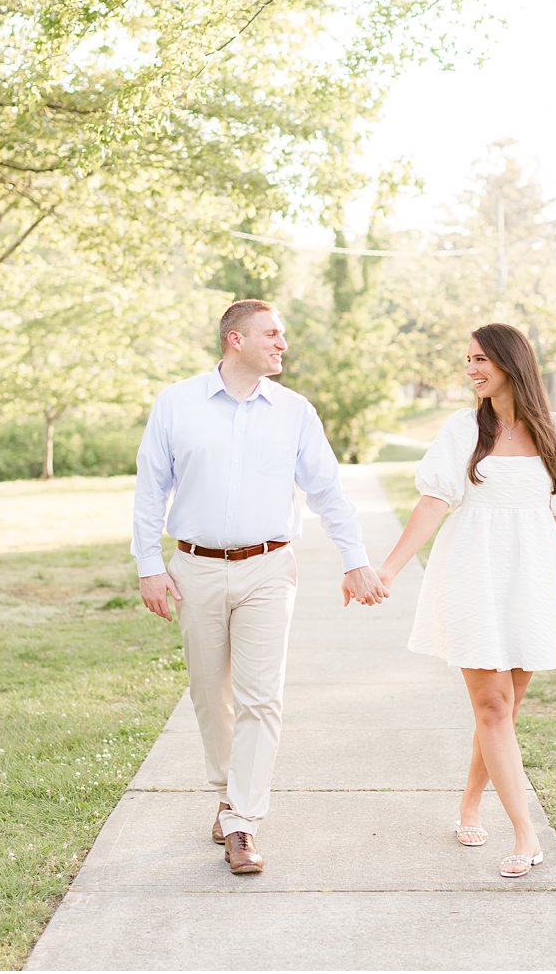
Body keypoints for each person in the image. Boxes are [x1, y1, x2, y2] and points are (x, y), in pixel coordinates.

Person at [132, 299, 389, 875]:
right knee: (208, 694)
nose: (282, 344)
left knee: (261, 696)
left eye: (283, 335)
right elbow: (152, 490)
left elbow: (327, 491)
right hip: (194, 567)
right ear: (234, 340)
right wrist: (149, 564)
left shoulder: (295, 411)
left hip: (270, 569)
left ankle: (243, 821)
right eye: (272, 334)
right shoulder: (177, 404)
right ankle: (228, 794)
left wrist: (356, 559)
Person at [377, 322, 556, 879]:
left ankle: (470, 803)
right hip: (471, 572)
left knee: (504, 710)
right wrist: (390, 568)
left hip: (529, 579)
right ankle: (526, 834)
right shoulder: (462, 428)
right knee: (492, 707)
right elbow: (432, 501)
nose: (472, 369)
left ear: (511, 362)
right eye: (468, 359)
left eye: (481, 360)